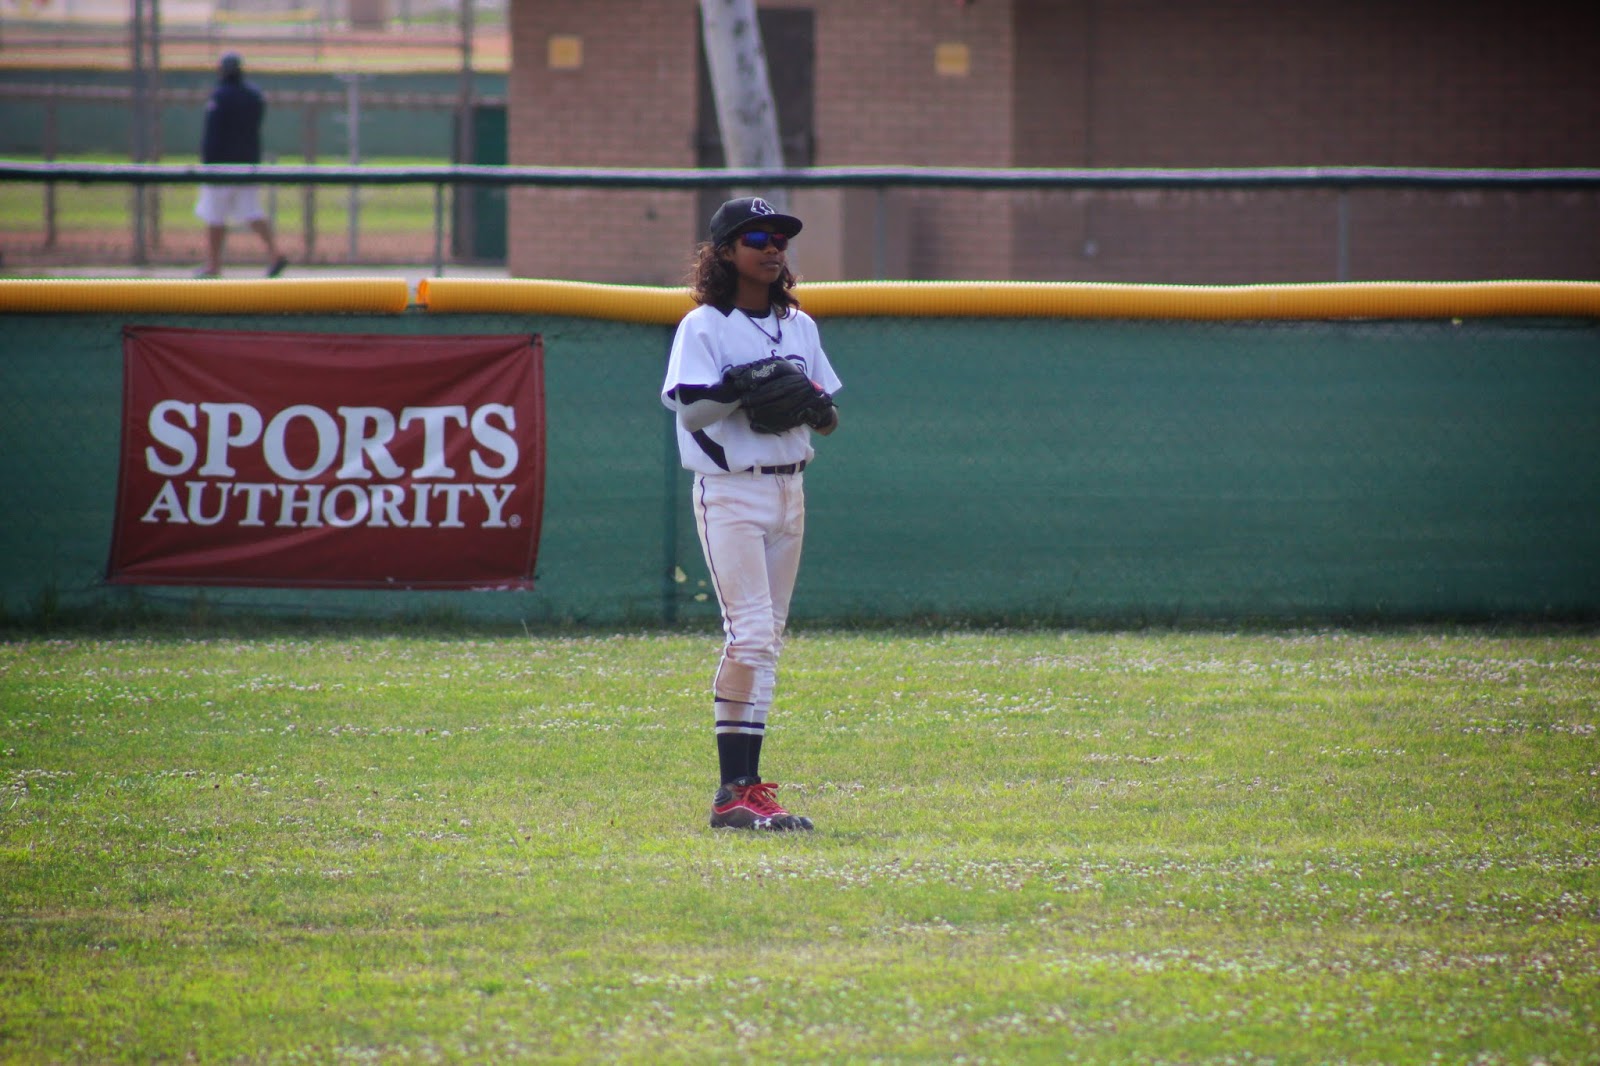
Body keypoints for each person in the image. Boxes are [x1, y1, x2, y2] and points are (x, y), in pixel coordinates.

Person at [661, 196, 843, 832]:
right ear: (725, 252)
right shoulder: (704, 325)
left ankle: (746, 790)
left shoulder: (800, 325)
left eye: (781, 238)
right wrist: (741, 386)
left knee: (769, 642)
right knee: (752, 635)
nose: (773, 248)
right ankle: (732, 790)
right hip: (730, 492)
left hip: (791, 489)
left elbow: (830, 415)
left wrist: (813, 409)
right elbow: (691, 410)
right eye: (757, 236)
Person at [194, 52, 287, 278]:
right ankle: (275, 253)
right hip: (247, 164)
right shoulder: (253, 95)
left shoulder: (221, 96)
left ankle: (213, 265)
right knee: (252, 211)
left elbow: (213, 135)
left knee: (215, 215)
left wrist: (207, 163)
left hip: (220, 166)